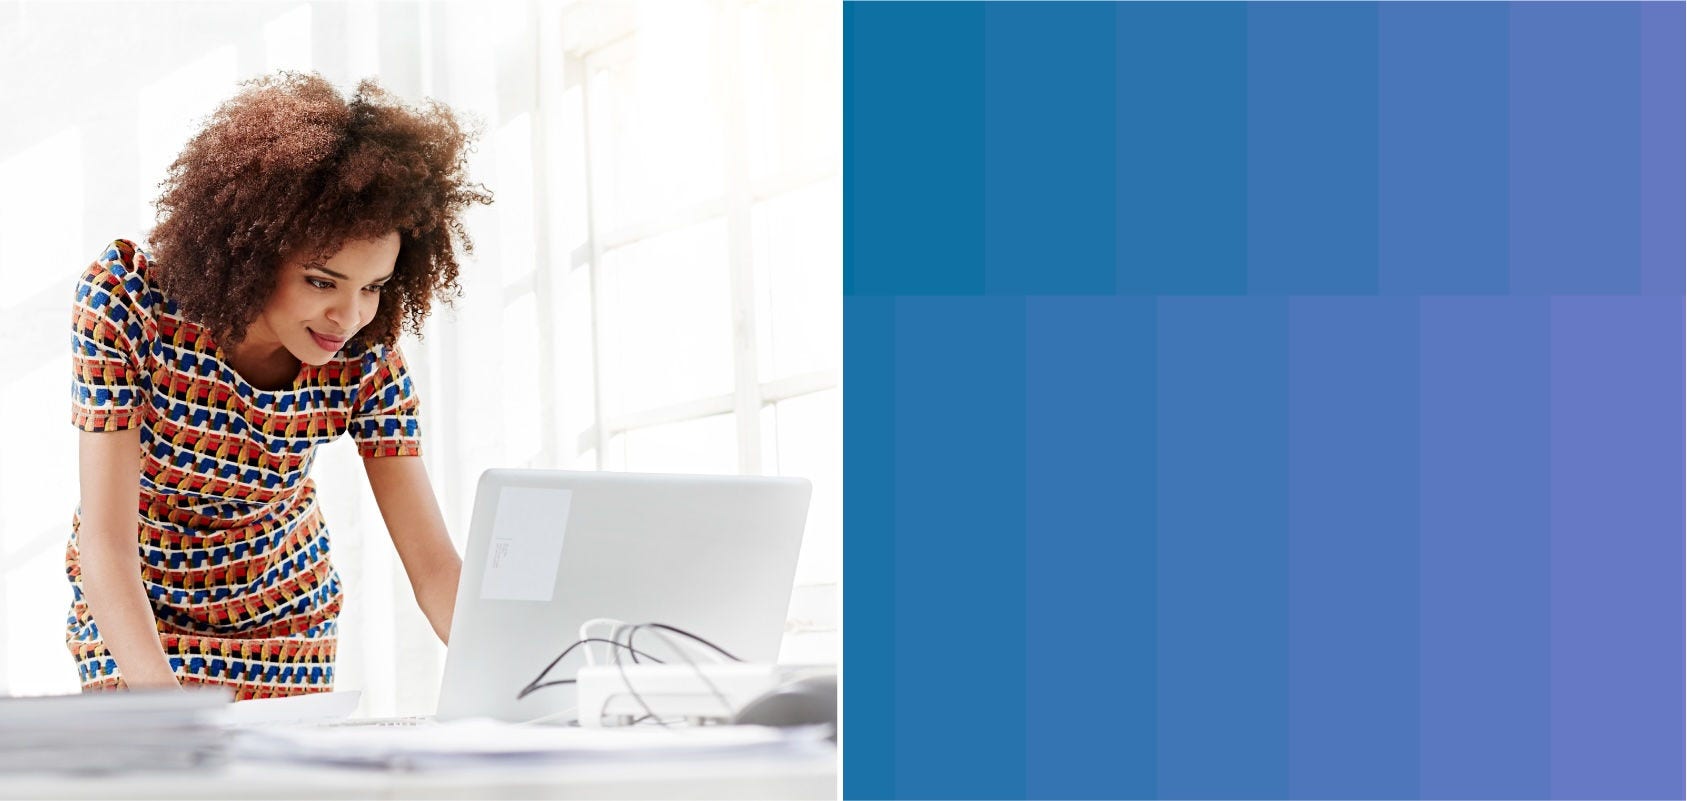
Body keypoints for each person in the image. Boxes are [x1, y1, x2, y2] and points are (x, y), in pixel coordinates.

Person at [65, 71, 494, 698]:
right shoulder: (129, 302)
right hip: (135, 611)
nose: (349, 316)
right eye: (322, 281)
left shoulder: (363, 354)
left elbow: (433, 567)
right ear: (253, 251)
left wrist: (524, 682)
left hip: (284, 624)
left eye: (372, 287)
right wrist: (167, 712)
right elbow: (105, 544)